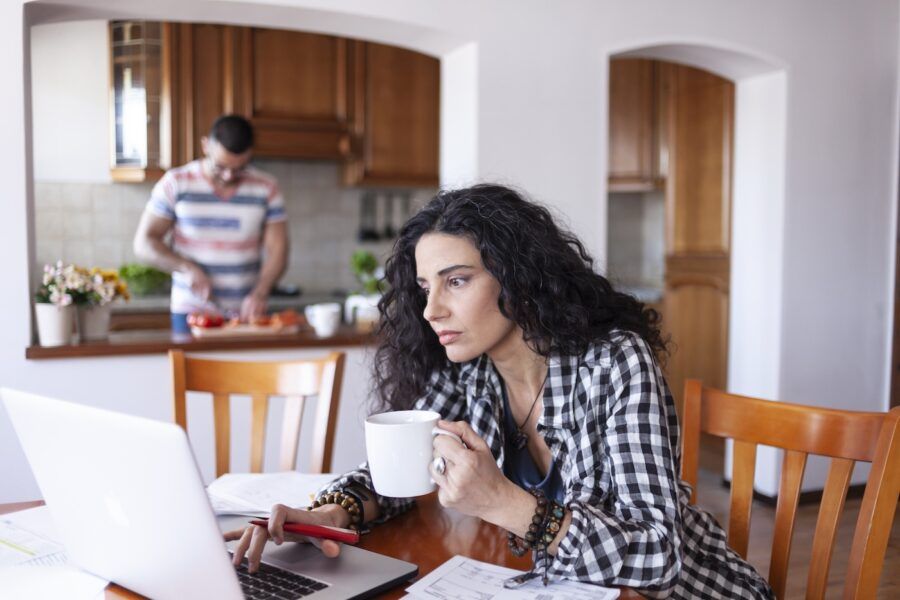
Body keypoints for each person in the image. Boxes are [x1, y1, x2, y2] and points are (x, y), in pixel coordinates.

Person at [228, 184, 774, 598]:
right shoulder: (470, 369)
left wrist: (506, 504)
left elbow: (659, 554)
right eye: (425, 287)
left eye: (457, 281)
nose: (431, 309)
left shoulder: (614, 362)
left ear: (519, 278)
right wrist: (334, 513)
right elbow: (401, 470)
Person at [133, 114, 288, 333]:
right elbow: (144, 243)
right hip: (191, 310)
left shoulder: (267, 188)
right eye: (221, 166)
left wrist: (261, 292)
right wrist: (187, 268)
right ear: (206, 145)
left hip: (247, 312)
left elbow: (278, 249)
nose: (228, 175)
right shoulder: (176, 183)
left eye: (239, 168)